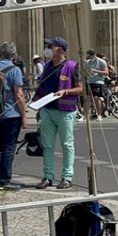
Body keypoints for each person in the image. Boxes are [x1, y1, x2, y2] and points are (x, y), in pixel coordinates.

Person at [34, 37, 81, 190]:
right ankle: (48, 177)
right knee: (47, 146)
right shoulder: (47, 66)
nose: (47, 49)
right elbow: (42, 88)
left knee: (67, 144)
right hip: (48, 110)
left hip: (65, 112)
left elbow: (81, 88)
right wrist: (36, 106)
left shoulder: (72, 66)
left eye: (50, 46)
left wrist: (66, 91)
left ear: (60, 49)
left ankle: (67, 177)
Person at [0, 42, 27, 191]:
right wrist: (24, 116)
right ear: (14, 56)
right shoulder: (15, 70)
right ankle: (4, 180)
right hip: (10, 113)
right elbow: (19, 95)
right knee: (9, 148)